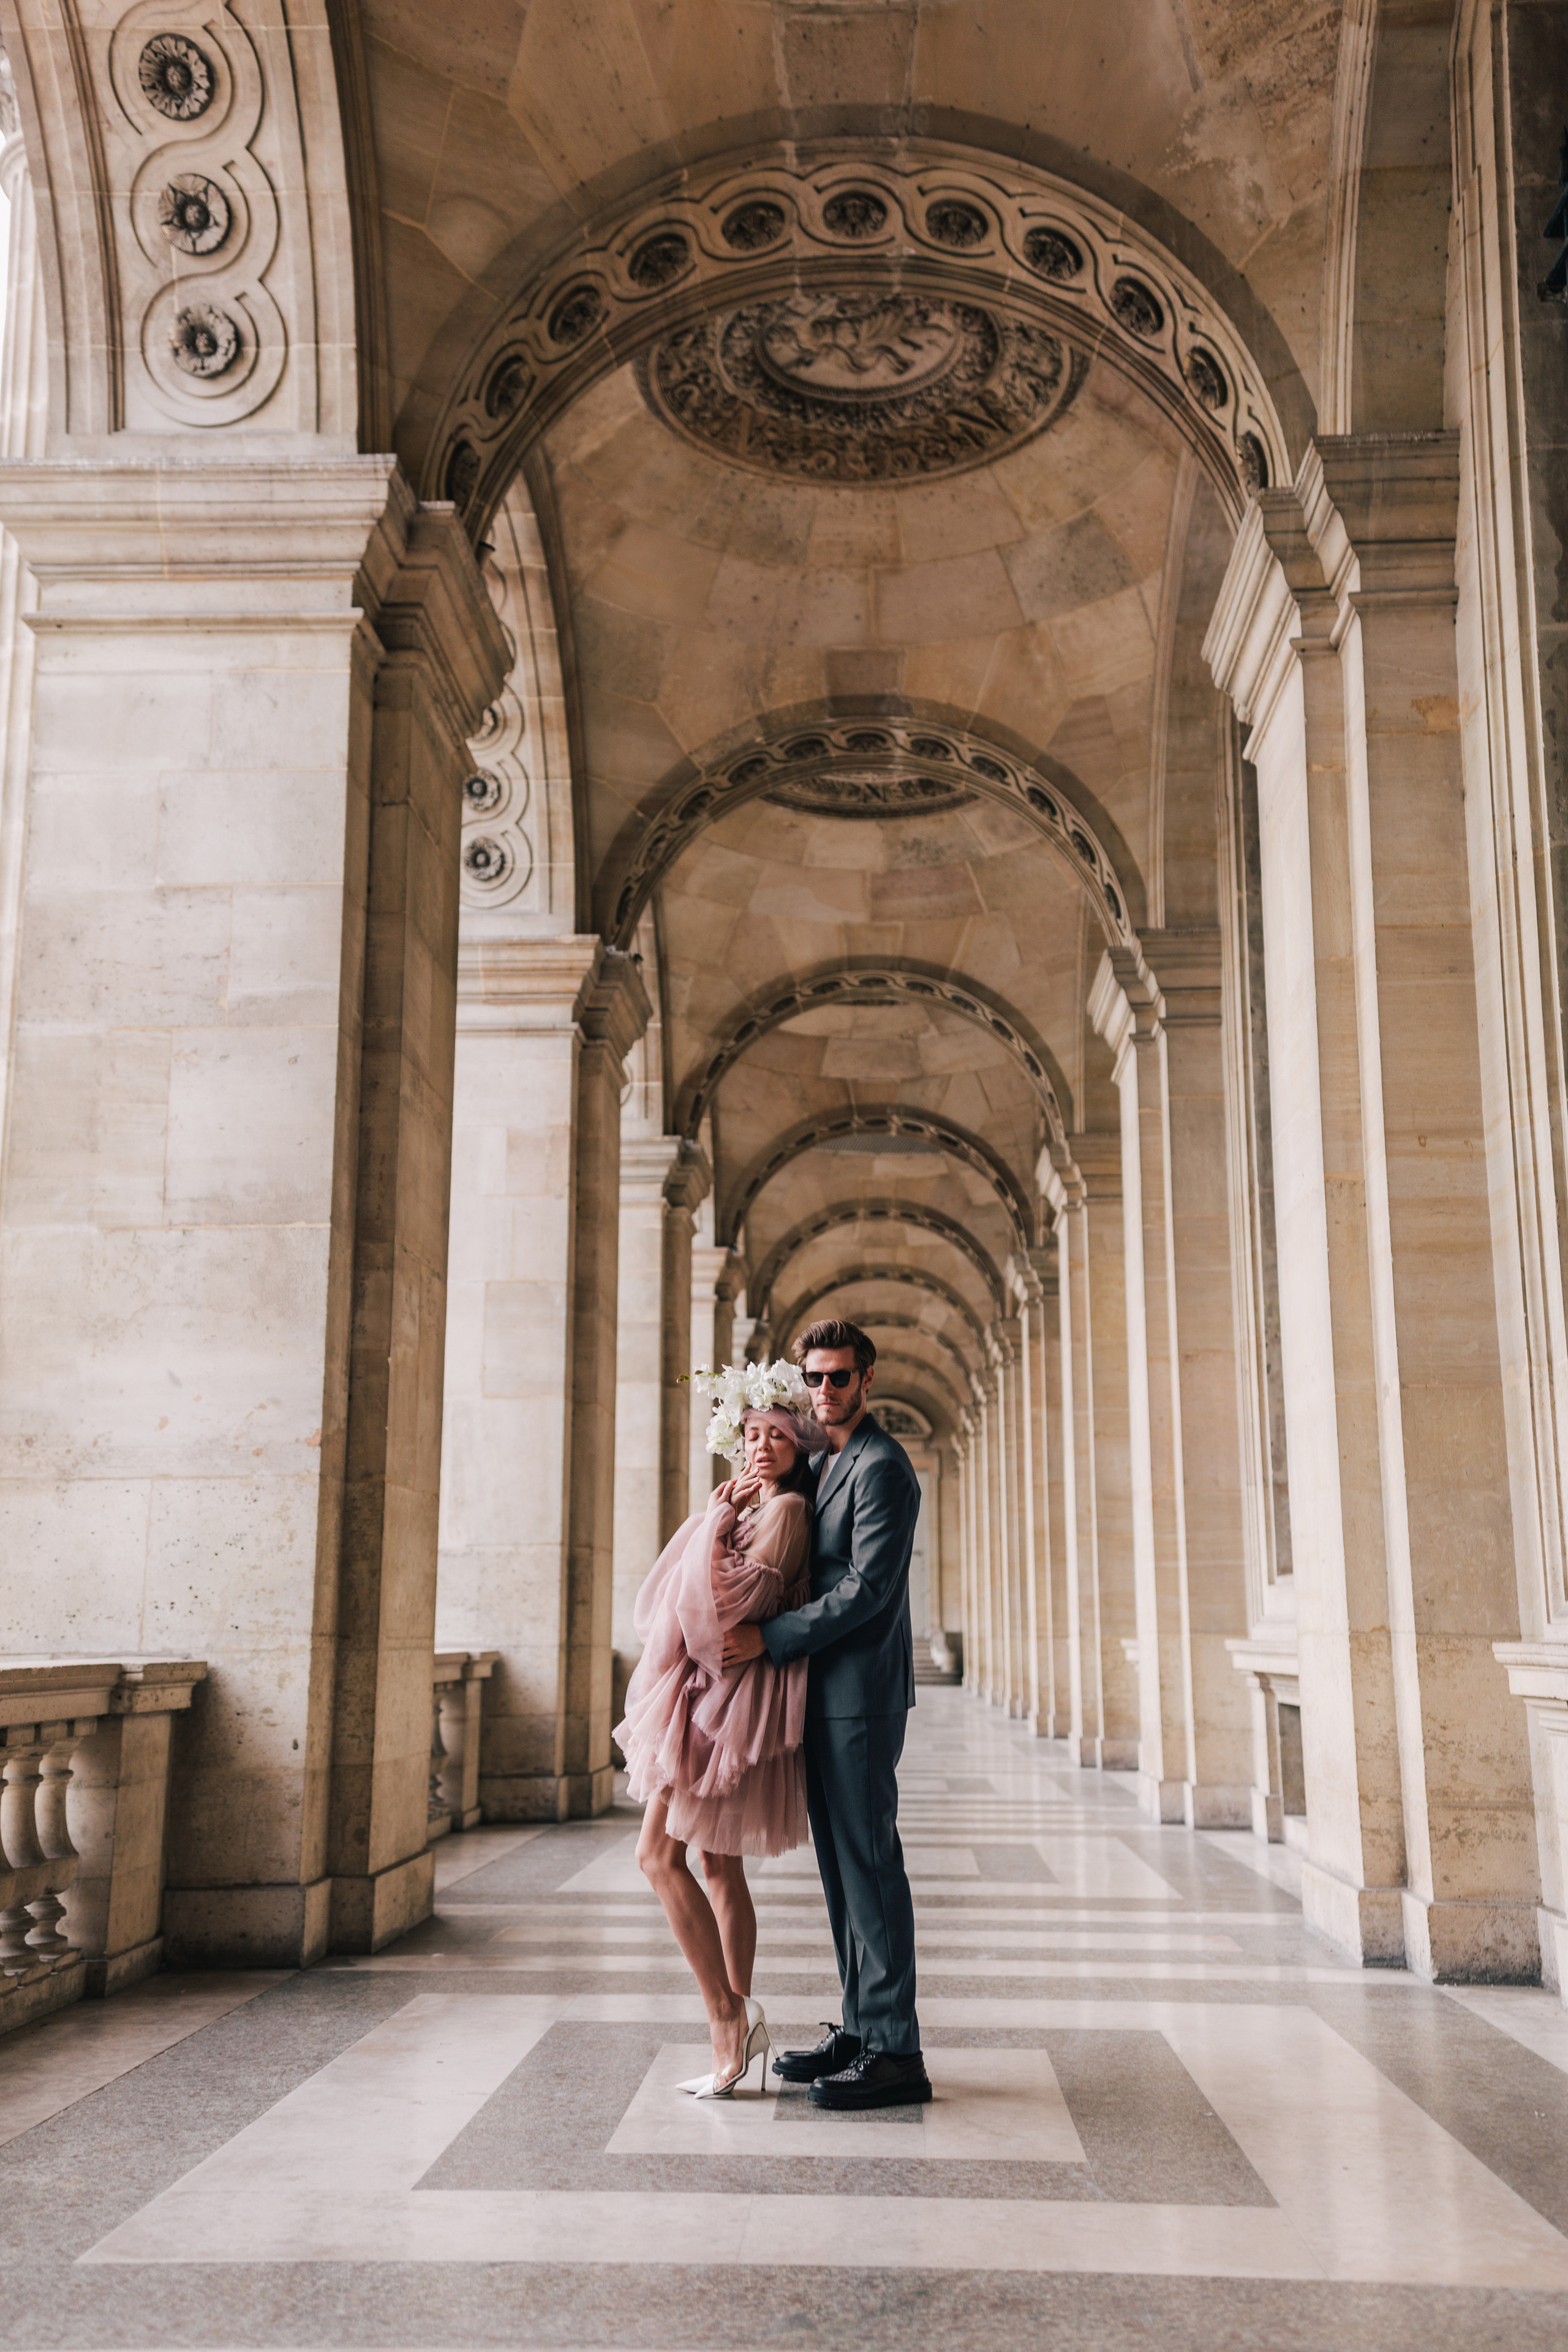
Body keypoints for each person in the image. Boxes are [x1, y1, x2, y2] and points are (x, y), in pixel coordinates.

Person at [721, 1318, 930, 2111]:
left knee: (869, 1865)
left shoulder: (883, 1467)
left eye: (840, 1376)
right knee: (842, 1873)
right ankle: (861, 2027)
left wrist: (767, 1639)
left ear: (866, 1379)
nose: (825, 1389)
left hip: (860, 1695)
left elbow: (866, 1589)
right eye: (813, 1377)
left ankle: (896, 2052)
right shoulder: (824, 1460)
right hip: (820, 1693)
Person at [615, 1385, 820, 2098]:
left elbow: (732, 1602)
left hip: (722, 1703)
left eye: (778, 1435)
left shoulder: (787, 1510)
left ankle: (727, 2017)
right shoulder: (755, 1505)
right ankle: (736, 2032)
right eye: (753, 1433)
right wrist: (722, 1516)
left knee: (657, 1856)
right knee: (715, 1864)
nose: (761, 1446)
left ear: (799, 1448)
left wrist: (716, 1520)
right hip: (712, 1693)